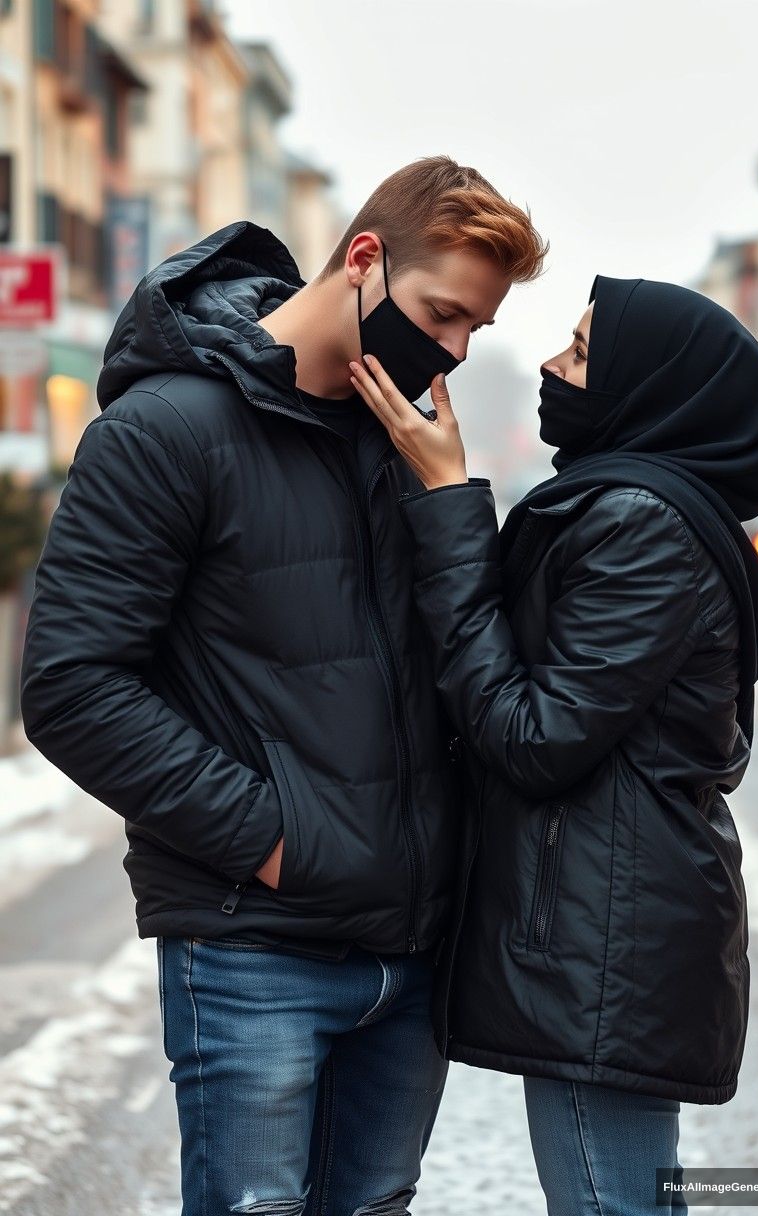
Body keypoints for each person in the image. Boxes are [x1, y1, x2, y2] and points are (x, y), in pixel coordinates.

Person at [18, 156, 547, 1216]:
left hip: (412, 948)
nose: (451, 348)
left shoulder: (410, 442)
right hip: (254, 944)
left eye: (473, 331)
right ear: (363, 260)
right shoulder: (166, 427)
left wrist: (449, 497)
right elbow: (71, 684)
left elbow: (468, 668)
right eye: (443, 312)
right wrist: (274, 839)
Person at [348, 274, 758, 1215]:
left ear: (651, 390)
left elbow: (532, 736)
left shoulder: (641, 526)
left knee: (608, 1200)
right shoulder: (633, 505)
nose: (555, 365)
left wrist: (447, 500)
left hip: (607, 935)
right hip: (610, 918)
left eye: (583, 352)